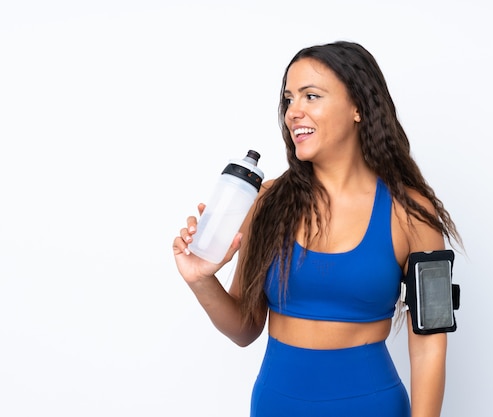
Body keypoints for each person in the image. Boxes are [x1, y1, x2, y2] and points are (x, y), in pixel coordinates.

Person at [172, 40, 462, 417]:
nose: (294, 112)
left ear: (358, 106)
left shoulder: (412, 213)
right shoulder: (266, 201)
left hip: (371, 407)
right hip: (276, 407)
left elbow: (429, 346)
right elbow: (244, 329)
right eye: (289, 100)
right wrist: (200, 278)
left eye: (311, 96)